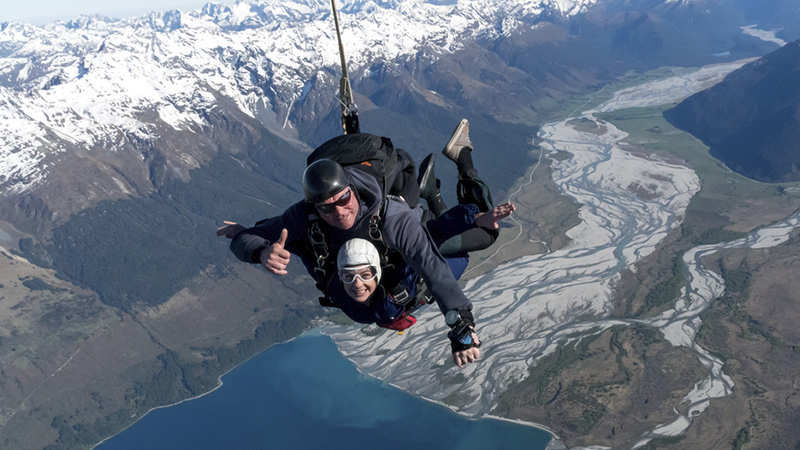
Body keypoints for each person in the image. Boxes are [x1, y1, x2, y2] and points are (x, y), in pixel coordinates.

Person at [218, 119, 498, 367]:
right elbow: (248, 238)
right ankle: (432, 193)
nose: (339, 212)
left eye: (343, 199)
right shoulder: (305, 218)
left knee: (487, 233)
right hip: (394, 284)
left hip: (414, 243)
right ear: (313, 206)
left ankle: (461, 159)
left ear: (353, 191)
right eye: (326, 208)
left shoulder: (391, 216)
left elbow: (431, 267)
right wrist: (261, 251)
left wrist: (462, 326)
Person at [332, 200, 514, 335]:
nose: (357, 284)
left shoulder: (388, 283)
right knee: (464, 254)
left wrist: (476, 219)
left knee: (488, 236)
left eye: (365, 274)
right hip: (432, 272)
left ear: (377, 271)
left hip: (429, 245)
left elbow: (432, 237)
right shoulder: (358, 309)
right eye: (348, 277)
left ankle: (439, 188)